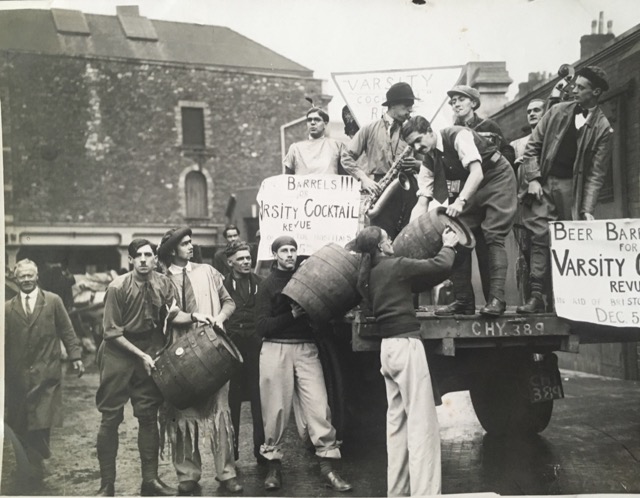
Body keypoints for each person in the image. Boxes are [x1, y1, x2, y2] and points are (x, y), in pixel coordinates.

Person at [95, 239, 211, 497]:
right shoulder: (117, 287)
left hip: (149, 351)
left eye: (149, 255)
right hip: (118, 353)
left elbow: (171, 314)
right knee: (111, 417)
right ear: (131, 260)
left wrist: (194, 316)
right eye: (139, 256)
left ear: (155, 258)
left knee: (148, 416)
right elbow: (111, 333)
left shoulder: (163, 282)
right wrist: (141, 355)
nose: (145, 260)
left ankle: (150, 481)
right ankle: (107, 486)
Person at [353, 226, 459, 496]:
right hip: (407, 346)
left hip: (387, 350)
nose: (392, 242)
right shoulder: (396, 266)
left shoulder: (370, 275)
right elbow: (440, 267)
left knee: (397, 428)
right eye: (388, 239)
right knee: (423, 426)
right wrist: (449, 245)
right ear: (380, 247)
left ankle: (398, 492)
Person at [256, 236, 352, 493]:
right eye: (284, 251)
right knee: (275, 411)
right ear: (274, 254)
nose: (289, 255)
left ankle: (328, 468)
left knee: (319, 406)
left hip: (307, 348)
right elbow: (262, 326)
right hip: (276, 348)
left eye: (293, 250)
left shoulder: (308, 278)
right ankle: (273, 468)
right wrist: (292, 315)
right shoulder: (267, 286)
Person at [516, 66, 613, 314]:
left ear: (596, 92)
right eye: (575, 85)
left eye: (581, 88)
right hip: (545, 183)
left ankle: (566, 301)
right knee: (539, 237)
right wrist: (534, 179)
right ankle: (536, 297)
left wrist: (587, 209)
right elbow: (532, 148)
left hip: (573, 189)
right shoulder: (557, 111)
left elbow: (596, 174)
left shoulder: (603, 129)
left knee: (568, 243)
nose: (574, 90)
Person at [401, 115, 517, 316]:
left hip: (496, 177)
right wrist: (409, 232)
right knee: (454, 236)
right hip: (473, 188)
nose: (417, 147)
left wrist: (461, 201)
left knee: (493, 235)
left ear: (430, 131)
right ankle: (464, 301)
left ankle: (497, 300)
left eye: (419, 139)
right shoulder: (428, 160)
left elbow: (477, 173)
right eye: (413, 144)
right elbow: (422, 201)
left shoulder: (457, 135)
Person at [158, 227, 243, 495]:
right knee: (182, 414)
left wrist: (220, 318)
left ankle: (226, 472)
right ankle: (187, 475)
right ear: (173, 250)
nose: (191, 246)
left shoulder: (208, 272)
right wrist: (194, 317)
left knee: (220, 411)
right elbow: (168, 315)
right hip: (178, 355)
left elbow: (229, 302)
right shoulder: (161, 281)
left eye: (190, 242)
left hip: (212, 352)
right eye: (184, 244)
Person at [4, 259, 85, 486]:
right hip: (17, 377)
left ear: (37, 276)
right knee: (19, 422)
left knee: (41, 420)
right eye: (22, 276)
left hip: (46, 375)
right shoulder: (7, 308)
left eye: (30, 275)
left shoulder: (52, 301)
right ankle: (31, 464)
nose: (27, 280)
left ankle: (35, 462)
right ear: (15, 279)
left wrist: (76, 356)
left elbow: (67, 330)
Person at [341, 82, 422, 239]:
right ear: (392, 105)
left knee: (407, 238)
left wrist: (417, 164)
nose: (409, 110)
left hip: (409, 186)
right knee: (380, 239)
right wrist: (363, 178)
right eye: (406, 106)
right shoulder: (369, 129)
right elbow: (346, 156)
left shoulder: (413, 130)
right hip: (380, 187)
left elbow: (429, 162)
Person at [223, 241, 265, 464]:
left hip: (255, 348)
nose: (246, 262)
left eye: (248, 258)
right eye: (240, 259)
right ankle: (232, 453)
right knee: (232, 402)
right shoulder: (221, 285)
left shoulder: (259, 284)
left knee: (260, 400)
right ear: (230, 262)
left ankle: (261, 451)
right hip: (231, 349)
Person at [510, 99, 545, 304]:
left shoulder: (550, 140)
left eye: (537, 110)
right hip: (522, 207)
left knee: (544, 249)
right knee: (526, 254)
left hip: (543, 203)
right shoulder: (517, 144)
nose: (532, 113)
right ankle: (532, 298)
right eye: (529, 111)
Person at [447, 85, 515, 167]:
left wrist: (495, 165)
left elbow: (507, 151)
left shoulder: (489, 125)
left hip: (492, 175)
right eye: (453, 102)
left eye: (461, 100)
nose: (456, 104)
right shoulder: (451, 133)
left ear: (473, 103)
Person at [284, 107, 345, 175]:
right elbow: (287, 179)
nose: (312, 123)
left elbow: (344, 178)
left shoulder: (336, 146)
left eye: (317, 120)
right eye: (309, 120)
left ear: (325, 124)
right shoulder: (295, 148)